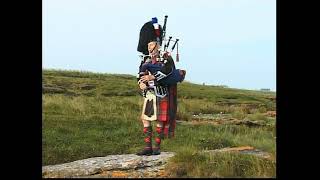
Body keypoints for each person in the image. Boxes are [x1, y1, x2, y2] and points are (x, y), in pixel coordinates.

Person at [136, 17, 186, 156]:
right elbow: (140, 74)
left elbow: (169, 69)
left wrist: (153, 77)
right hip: (150, 94)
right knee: (145, 118)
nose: (149, 47)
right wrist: (141, 83)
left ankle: (156, 147)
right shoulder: (145, 59)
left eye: (151, 44)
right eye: (147, 45)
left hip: (162, 92)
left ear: (157, 44)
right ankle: (147, 147)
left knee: (159, 120)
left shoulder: (165, 56)